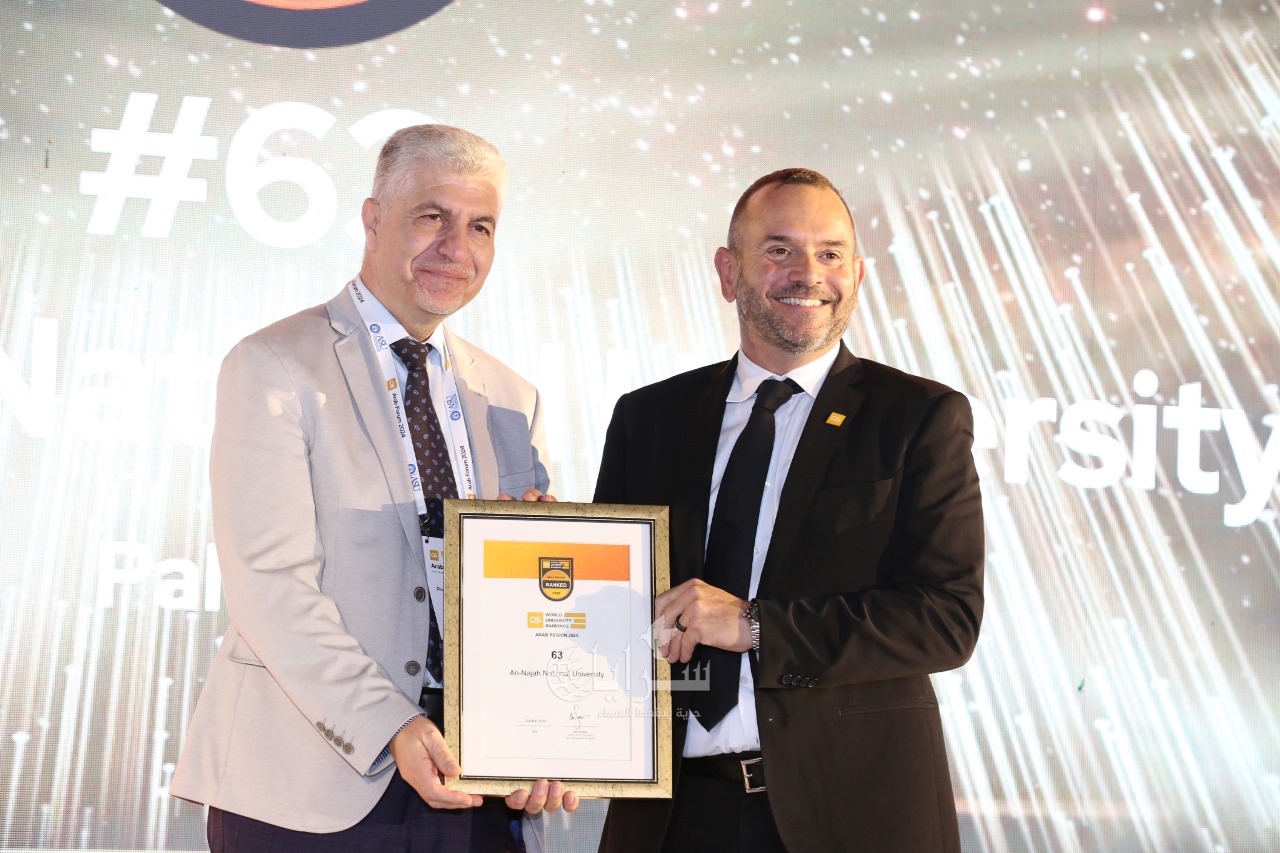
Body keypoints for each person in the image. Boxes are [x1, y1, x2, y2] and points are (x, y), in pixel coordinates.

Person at [171, 124, 576, 851]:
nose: (456, 247)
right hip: (311, 790)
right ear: (373, 219)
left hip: (480, 789)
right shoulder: (274, 365)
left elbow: (542, 601)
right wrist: (390, 722)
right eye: (432, 216)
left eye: (480, 227)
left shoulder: (514, 398)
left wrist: (550, 731)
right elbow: (270, 586)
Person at [594, 168, 984, 852]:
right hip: (672, 820)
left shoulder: (919, 417)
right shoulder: (648, 418)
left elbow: (946, 618)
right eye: (779, 249)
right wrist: (535, 550)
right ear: (729, 271)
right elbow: (611, 605)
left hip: (851, 817)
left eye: (830, 253)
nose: (808, 274)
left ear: (856, 275)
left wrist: (753, 626)